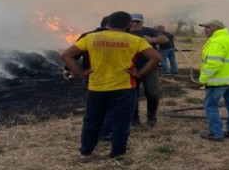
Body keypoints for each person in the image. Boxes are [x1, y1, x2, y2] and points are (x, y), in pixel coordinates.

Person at [60, 11, 162, 162]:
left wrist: (80, 73)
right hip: (124, 88)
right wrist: (139, 73)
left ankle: (86, 153)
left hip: (96, 87)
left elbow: (65, 55)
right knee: (121, 123)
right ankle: (117, 155)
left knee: (91, 121)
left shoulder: (91, 38)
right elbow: (156, 57)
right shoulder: (134, 40)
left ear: (108, 24)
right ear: (128, 24)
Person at [198, 19, 229, 141]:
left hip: (217, 82)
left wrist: (203, 78)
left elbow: (214, 64)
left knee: (210, 106)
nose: (205, 30)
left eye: (207, 27)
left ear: (215, 28)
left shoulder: (216, 42)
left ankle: (216, 133)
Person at [128, 13, 169, 127]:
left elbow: (164, 39)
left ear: (142, 22)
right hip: (131, 68)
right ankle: (134, 119)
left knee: (152, 93)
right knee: (132, 94)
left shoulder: (149, 31)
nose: (135, 24)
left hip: (150, 66)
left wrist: (152, 39)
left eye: (138, 22)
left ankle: (151, 116)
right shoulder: (125, 32)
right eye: (133, 21)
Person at [62, 15, 109, 83]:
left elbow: (73, 55)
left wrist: (71, 71)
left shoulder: (87, 36)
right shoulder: (120, 37)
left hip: (91, 77)